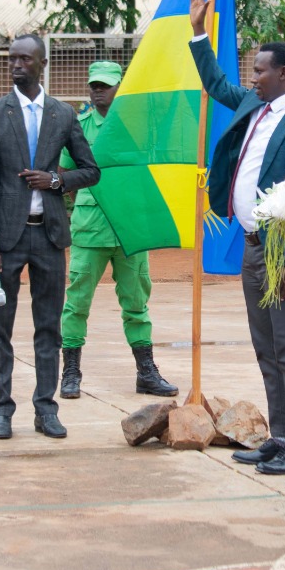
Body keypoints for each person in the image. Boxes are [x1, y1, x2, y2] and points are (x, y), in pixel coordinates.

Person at [188, 0, 285, 476]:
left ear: (284, 74)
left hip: (282, 247)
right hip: (251, 242)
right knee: (265, 345)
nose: (252, 76)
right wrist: (199, 33)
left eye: (259, 70)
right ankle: (278, 435)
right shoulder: (254, 105)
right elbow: (216, 85)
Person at [0, 34, 100, 441]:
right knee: (0, 328)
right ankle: (1, 412)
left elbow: (90, 171)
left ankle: (46, 409)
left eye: (25, 59)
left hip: (48, 237)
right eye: (12, 58)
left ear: (43, 63)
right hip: (6, 241)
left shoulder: (63, 115)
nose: (16, 65)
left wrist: (55, 180)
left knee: (48, 327)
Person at [57, 60, 176, 400]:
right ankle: (71, 371)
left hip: (131, 231)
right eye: (94, 84)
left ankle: (146, 372)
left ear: (120, 89)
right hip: (90, 228)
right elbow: (66, 176)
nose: (98, 90)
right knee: (77, 303)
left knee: (137, 303)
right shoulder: (77, 127)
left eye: (105, 85)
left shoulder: (139, 127)